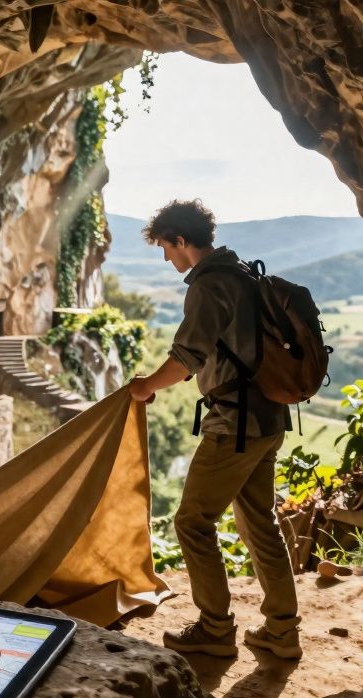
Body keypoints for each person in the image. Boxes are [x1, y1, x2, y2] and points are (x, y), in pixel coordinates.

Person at [127, 199, 302, 659]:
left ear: (181, 240)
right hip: (268, 417)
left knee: (192, 522)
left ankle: (215, 629)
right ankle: (282, 632)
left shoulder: (209, 284)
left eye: (166, 248)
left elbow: (187, 357)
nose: (167, 258)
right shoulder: (242, 273)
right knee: (259, 521)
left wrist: (145, 387)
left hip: (235, 424)